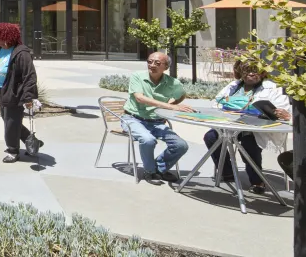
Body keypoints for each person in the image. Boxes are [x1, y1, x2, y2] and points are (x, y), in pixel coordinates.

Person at [205, 61, 291, 194]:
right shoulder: (234, 86)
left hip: (256, 128)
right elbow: (216, 102)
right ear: (240, 72)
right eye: (246, 70)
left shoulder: (273, 88)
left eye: (255, 70)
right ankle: (227, 173)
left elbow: (284, 111)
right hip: (231, 124)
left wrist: (281, 114)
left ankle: (257, 181)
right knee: (211, 137)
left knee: (248, 142)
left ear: (262, 72)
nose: (251, 73)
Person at [120, 52, 193, 182]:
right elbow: (140, 98)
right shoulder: (137, 76)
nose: (152, 65)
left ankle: (159, 168)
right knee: (148, 140)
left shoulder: (172, 83)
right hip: (133, 119)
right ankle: (149, 172)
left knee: (181, 145)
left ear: (166, 67)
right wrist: (170, 106)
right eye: (149, 61)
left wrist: (174, 104)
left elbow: (181, 94)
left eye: (157, 63)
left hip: (157, 122)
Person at [0, 23, 42, 163]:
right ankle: (31, 140)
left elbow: (30, 76)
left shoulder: (22, 54)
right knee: (8, 119)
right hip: (1, 90)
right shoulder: (0, 50)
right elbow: (1, 70)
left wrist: (28, 97)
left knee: (10, 122)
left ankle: (13, 151)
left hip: (15, 92)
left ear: (6, 37)